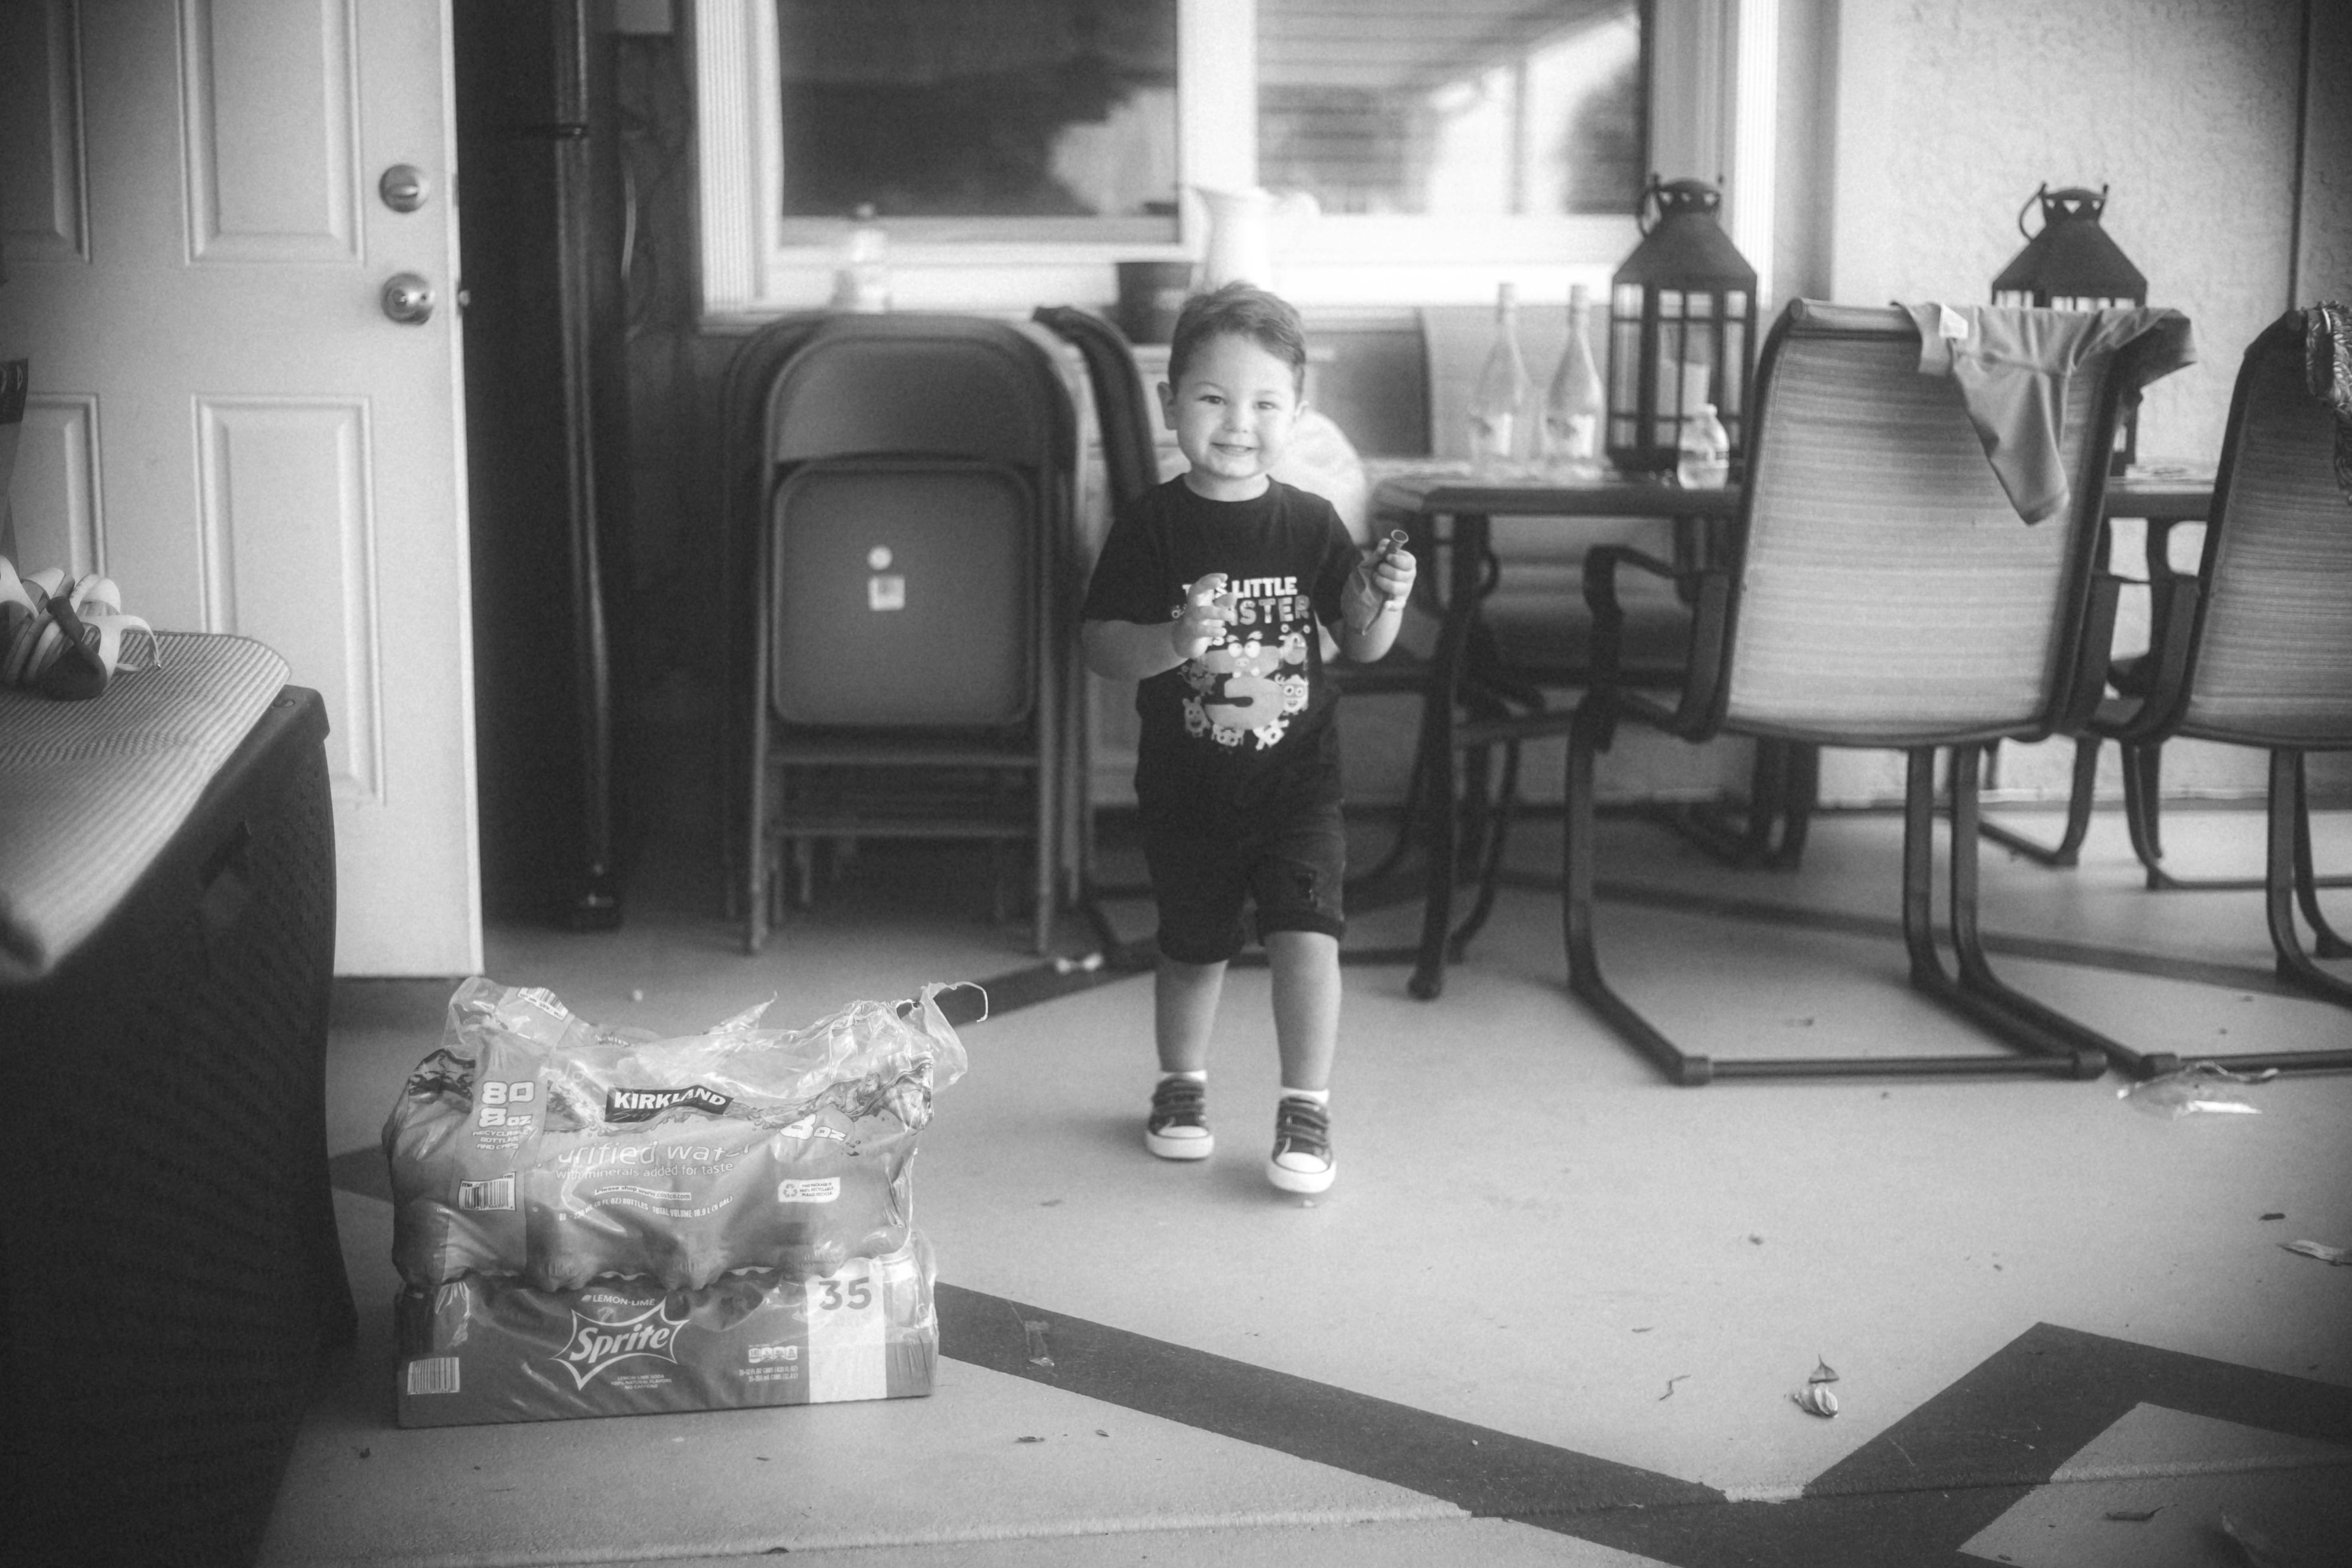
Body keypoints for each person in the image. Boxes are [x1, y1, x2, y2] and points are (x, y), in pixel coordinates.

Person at [1079, 283, 1416, 1194]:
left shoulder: (1309, 522)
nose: (1239, 423)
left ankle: (1307, 1103)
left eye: (1266, 403)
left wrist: (1385, 596)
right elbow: (1101, 646)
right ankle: (1180, 1085)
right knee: (1193, 947)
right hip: (1188, 785)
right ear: (1170, 403)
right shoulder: (1152, 524)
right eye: (1214, 398)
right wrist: (1171, 641)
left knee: (1310, 938)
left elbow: (1362, 640)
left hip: (1298, 781)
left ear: (1297, 414)